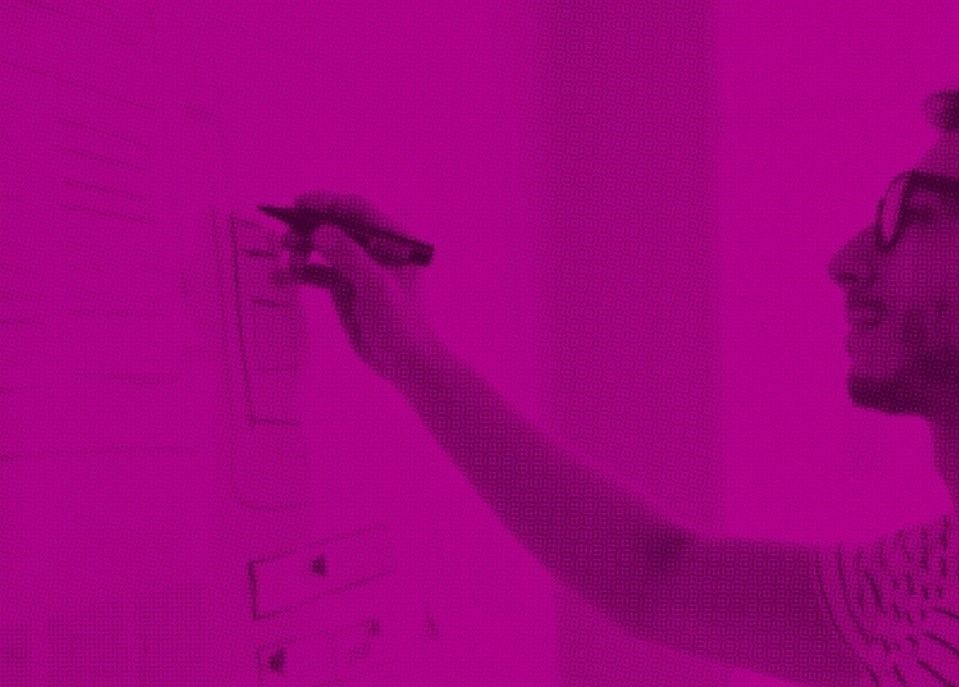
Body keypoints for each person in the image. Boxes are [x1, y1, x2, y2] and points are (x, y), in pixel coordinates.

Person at [287, 90, 959, 687]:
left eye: (912, 217)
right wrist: (415, 356)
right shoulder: (936, 569)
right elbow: (653, 576)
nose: (844, 262)